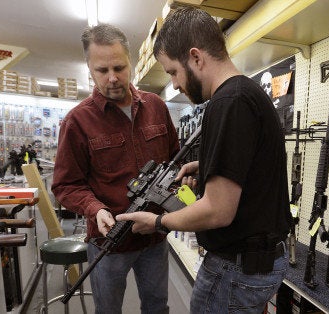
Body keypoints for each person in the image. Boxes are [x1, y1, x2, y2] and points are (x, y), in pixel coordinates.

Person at [117, 7, 292, 313]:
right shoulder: (247, 92)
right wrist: (208, 163)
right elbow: (253, 164)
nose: (173, 84)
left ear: (196, 57)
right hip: (253, 264)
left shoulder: (228, 102)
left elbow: (218, 211)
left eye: (173, 71)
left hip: (235, 270)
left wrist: (158, 222)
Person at [51, 23, 179, 314]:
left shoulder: (156, 106)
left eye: (119, 67)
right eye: (102, 70)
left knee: (157, 306)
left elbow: (175, 158)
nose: (112, 78)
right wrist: (96, 209)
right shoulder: (77, 121)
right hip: (108, 242)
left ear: (131, 62)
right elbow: (65, 185)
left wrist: (181, 185)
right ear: (89, 70)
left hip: (155, 236)